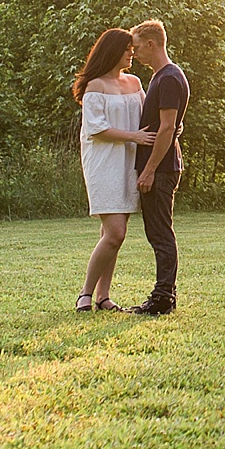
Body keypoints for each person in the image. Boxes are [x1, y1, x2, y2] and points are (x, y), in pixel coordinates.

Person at [73, 27, 154, 312]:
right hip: (104, 162)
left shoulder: (135, 83)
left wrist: (172, 125)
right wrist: (135, 136)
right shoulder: (96, 86)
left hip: (129, 163)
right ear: (112, 51)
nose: (132, 53)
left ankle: (103, 297)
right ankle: (85, 293)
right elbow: (97, 130)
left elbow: (149, 115)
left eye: (133, 48)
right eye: (127, 49)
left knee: (113, 235)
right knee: (115, 233)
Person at [129, 18, 188, 316]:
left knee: (161, 233)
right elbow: (173, 124)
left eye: (137, 47)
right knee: (158, 232)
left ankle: (164, 298)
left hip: (162, 168)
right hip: (162, 165)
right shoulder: (164, 77)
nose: (134, 54)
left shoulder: (167, 78)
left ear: (152, 44)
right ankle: (164, 294)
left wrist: (150, 169)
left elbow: (166, 129)